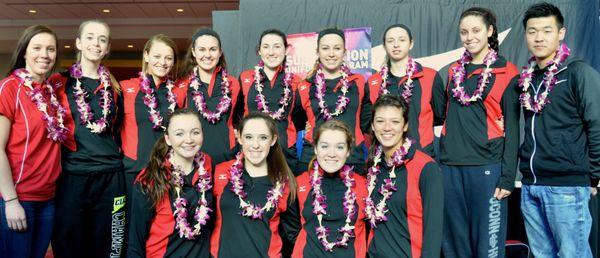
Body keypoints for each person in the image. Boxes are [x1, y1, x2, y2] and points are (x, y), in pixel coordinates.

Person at [433, 7, 520, 258]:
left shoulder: (507, 71)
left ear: (490, 31)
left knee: (488, 246)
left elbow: (513, 130)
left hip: (487, 168)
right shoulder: (451, 72)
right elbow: (438, 115)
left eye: (475, 30)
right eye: (464, 32)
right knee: (454, 245)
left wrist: (507, 177)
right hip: (450, 167)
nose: (469, 37)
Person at [518, 2, 600, 257]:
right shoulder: (527, 78)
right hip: (530, 186)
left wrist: (593, 175)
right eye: (532, 31)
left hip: (566, 186)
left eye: (546, 30)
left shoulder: (578, 72)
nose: (539, 37)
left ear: (561, 33)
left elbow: (596, 124)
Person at [49, 19, 126, 258]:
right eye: (90, 37)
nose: (96, 43)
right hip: (74, 176)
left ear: (107, 47)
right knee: (69, 243)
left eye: (102, 39)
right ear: (79, 43)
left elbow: (119, 130)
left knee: (110, 246)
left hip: (111, 176)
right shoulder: (58, 84)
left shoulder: (115, 88)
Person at [0, 24, 66, 258]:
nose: (44, 55)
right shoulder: (10, 88)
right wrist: (10, 201)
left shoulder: (50, 93)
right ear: (24, 52)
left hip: (47, 199)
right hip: (19, 198)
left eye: (50, 49)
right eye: (37, 47)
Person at [365, 94, 443, 258]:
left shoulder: (426, 168)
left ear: (405, 125)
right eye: (380, 121)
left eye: (395, 121)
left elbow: (433, 231)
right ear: (372, 126)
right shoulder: (373, 166)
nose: (387, 127)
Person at [128, 108, 213, 257]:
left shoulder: (209, 166)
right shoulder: (149, 180)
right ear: (168, 138)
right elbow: (136, 241)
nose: (189, 139)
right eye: (179, 133)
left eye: (195, 132)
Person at [210, 111, 296, 258]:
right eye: (249, 137)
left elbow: (294, 234)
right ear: (240, 138)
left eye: (263, 138)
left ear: (273, 140)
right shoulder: (219, 172)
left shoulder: (285, 183)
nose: (255, 145)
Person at [284, 119, 368, 257]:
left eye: (340, 147)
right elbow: (292, 229)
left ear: (348, 151)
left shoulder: (364, 186)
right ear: (316, 149)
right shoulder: (299, 184)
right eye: (324, 146)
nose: (331, 154)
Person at [296, 28, 372, 174]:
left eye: (337, 48)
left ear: (344, 52)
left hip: (352, 159)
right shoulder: (305, 86)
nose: (331, 54)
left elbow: (366, 122)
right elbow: (295, 122)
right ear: (317, 51)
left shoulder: (359, 82)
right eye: (325, 48)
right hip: (312, 159)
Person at [120, 34, 186, 199]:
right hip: (133, 170)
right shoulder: (126, 88)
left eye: (168, 58)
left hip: (167, 171)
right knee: (133, 224)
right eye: (157, 56)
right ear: (146, 55)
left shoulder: (178, 92)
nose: (162, 62)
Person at [367, 24, 444, 157]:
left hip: (422, 154)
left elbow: (440, 116)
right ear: (384, 46)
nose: (396, 45)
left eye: (402, 40)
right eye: (391, 41)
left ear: (411, 44)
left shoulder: (431, 77)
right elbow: (368, 122)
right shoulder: (373, 82)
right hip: (385, 158)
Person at [238, 29, 303, 172]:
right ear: (259, 51)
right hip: (252, 153)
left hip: (285, 154)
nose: (271, 52)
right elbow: (237, 116)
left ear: (286, 50)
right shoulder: (245, 78)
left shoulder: (297, 82)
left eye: (277, 46)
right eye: (266, 47)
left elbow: (301, 119)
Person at [177, 28, 241, 165]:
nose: (207, 54)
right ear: (194, 52)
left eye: (212, 49)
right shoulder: (182, 86)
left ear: (220, 52)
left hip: (228, 158)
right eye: (202, 49)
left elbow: (239, 118)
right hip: (193, 160)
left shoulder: (233, 83)